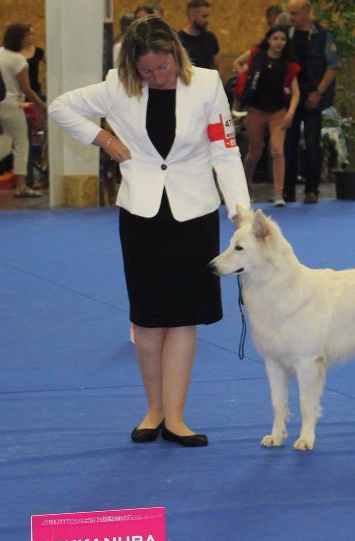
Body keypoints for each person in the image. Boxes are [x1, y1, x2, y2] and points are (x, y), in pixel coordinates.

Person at [50, 16, 250, 447]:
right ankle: (152, 410)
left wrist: (240, 210)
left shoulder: (208, 83)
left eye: (164, 67)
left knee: (183, 317)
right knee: (147, 317)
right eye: (147, 71)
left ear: (177, 54)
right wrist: (102, 138)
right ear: (132, 68)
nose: (157, 77)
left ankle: (176, 417)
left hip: (194, 212)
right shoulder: (115, 85)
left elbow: (225, 149)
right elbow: (60, 106)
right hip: (141, 214)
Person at [238, 26, 300, 207]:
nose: (279, 42)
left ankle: (278, 193)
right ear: (268, 40)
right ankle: (244, 187)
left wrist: (291, 112)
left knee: (277, 151)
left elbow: (296, 93)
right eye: (275, 38)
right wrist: (245, 78)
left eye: (282, 39)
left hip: (278, 113)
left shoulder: (289, 64)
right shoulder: (256, 55)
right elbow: (237, 62)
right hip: (255, 112)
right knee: (255, 152)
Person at [283, 0, 338, 205]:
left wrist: (318, 92)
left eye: (295, 13)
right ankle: (287, 190)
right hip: (291, 97)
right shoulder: (286, 35)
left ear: (307, 12)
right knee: (289, 144)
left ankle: (312, 190)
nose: (292, 18)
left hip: (313, 93)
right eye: (290, 14)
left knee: (313, 144)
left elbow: (332, 67)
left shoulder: (323, 35)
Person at [0, 23, 47, 198]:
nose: (30, 38)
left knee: (4, 146)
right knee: (22, 143)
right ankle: (21, 186)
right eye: (27, 36)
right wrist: (42, 106)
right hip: (13, 103)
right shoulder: (19, 60)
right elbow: (27, 89)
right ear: (20, 39)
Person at [178, 0, 219, 71]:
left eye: (208, 16)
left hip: (208, 81)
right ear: (192, 16)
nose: (207, 20)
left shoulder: (211, 38)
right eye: (204, 16)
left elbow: (218, 67)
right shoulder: (179, 39)